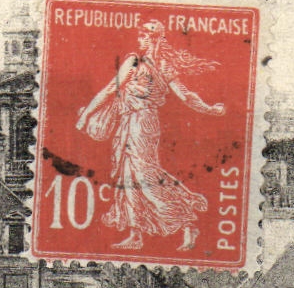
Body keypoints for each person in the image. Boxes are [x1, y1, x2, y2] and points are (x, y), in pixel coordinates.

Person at [75, 19, 227, 252]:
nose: (141, 40)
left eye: (145, 36)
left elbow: (186, 95)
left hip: (142, 124)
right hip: (130, 122)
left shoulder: (159, 65)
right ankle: (136, 234)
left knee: (145, 176)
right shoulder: (137, 61)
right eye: (140, 36)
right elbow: (110, 88)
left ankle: (186, 220)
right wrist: (87, 113)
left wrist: (210, 109)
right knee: (128, 177)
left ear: (156, 38)